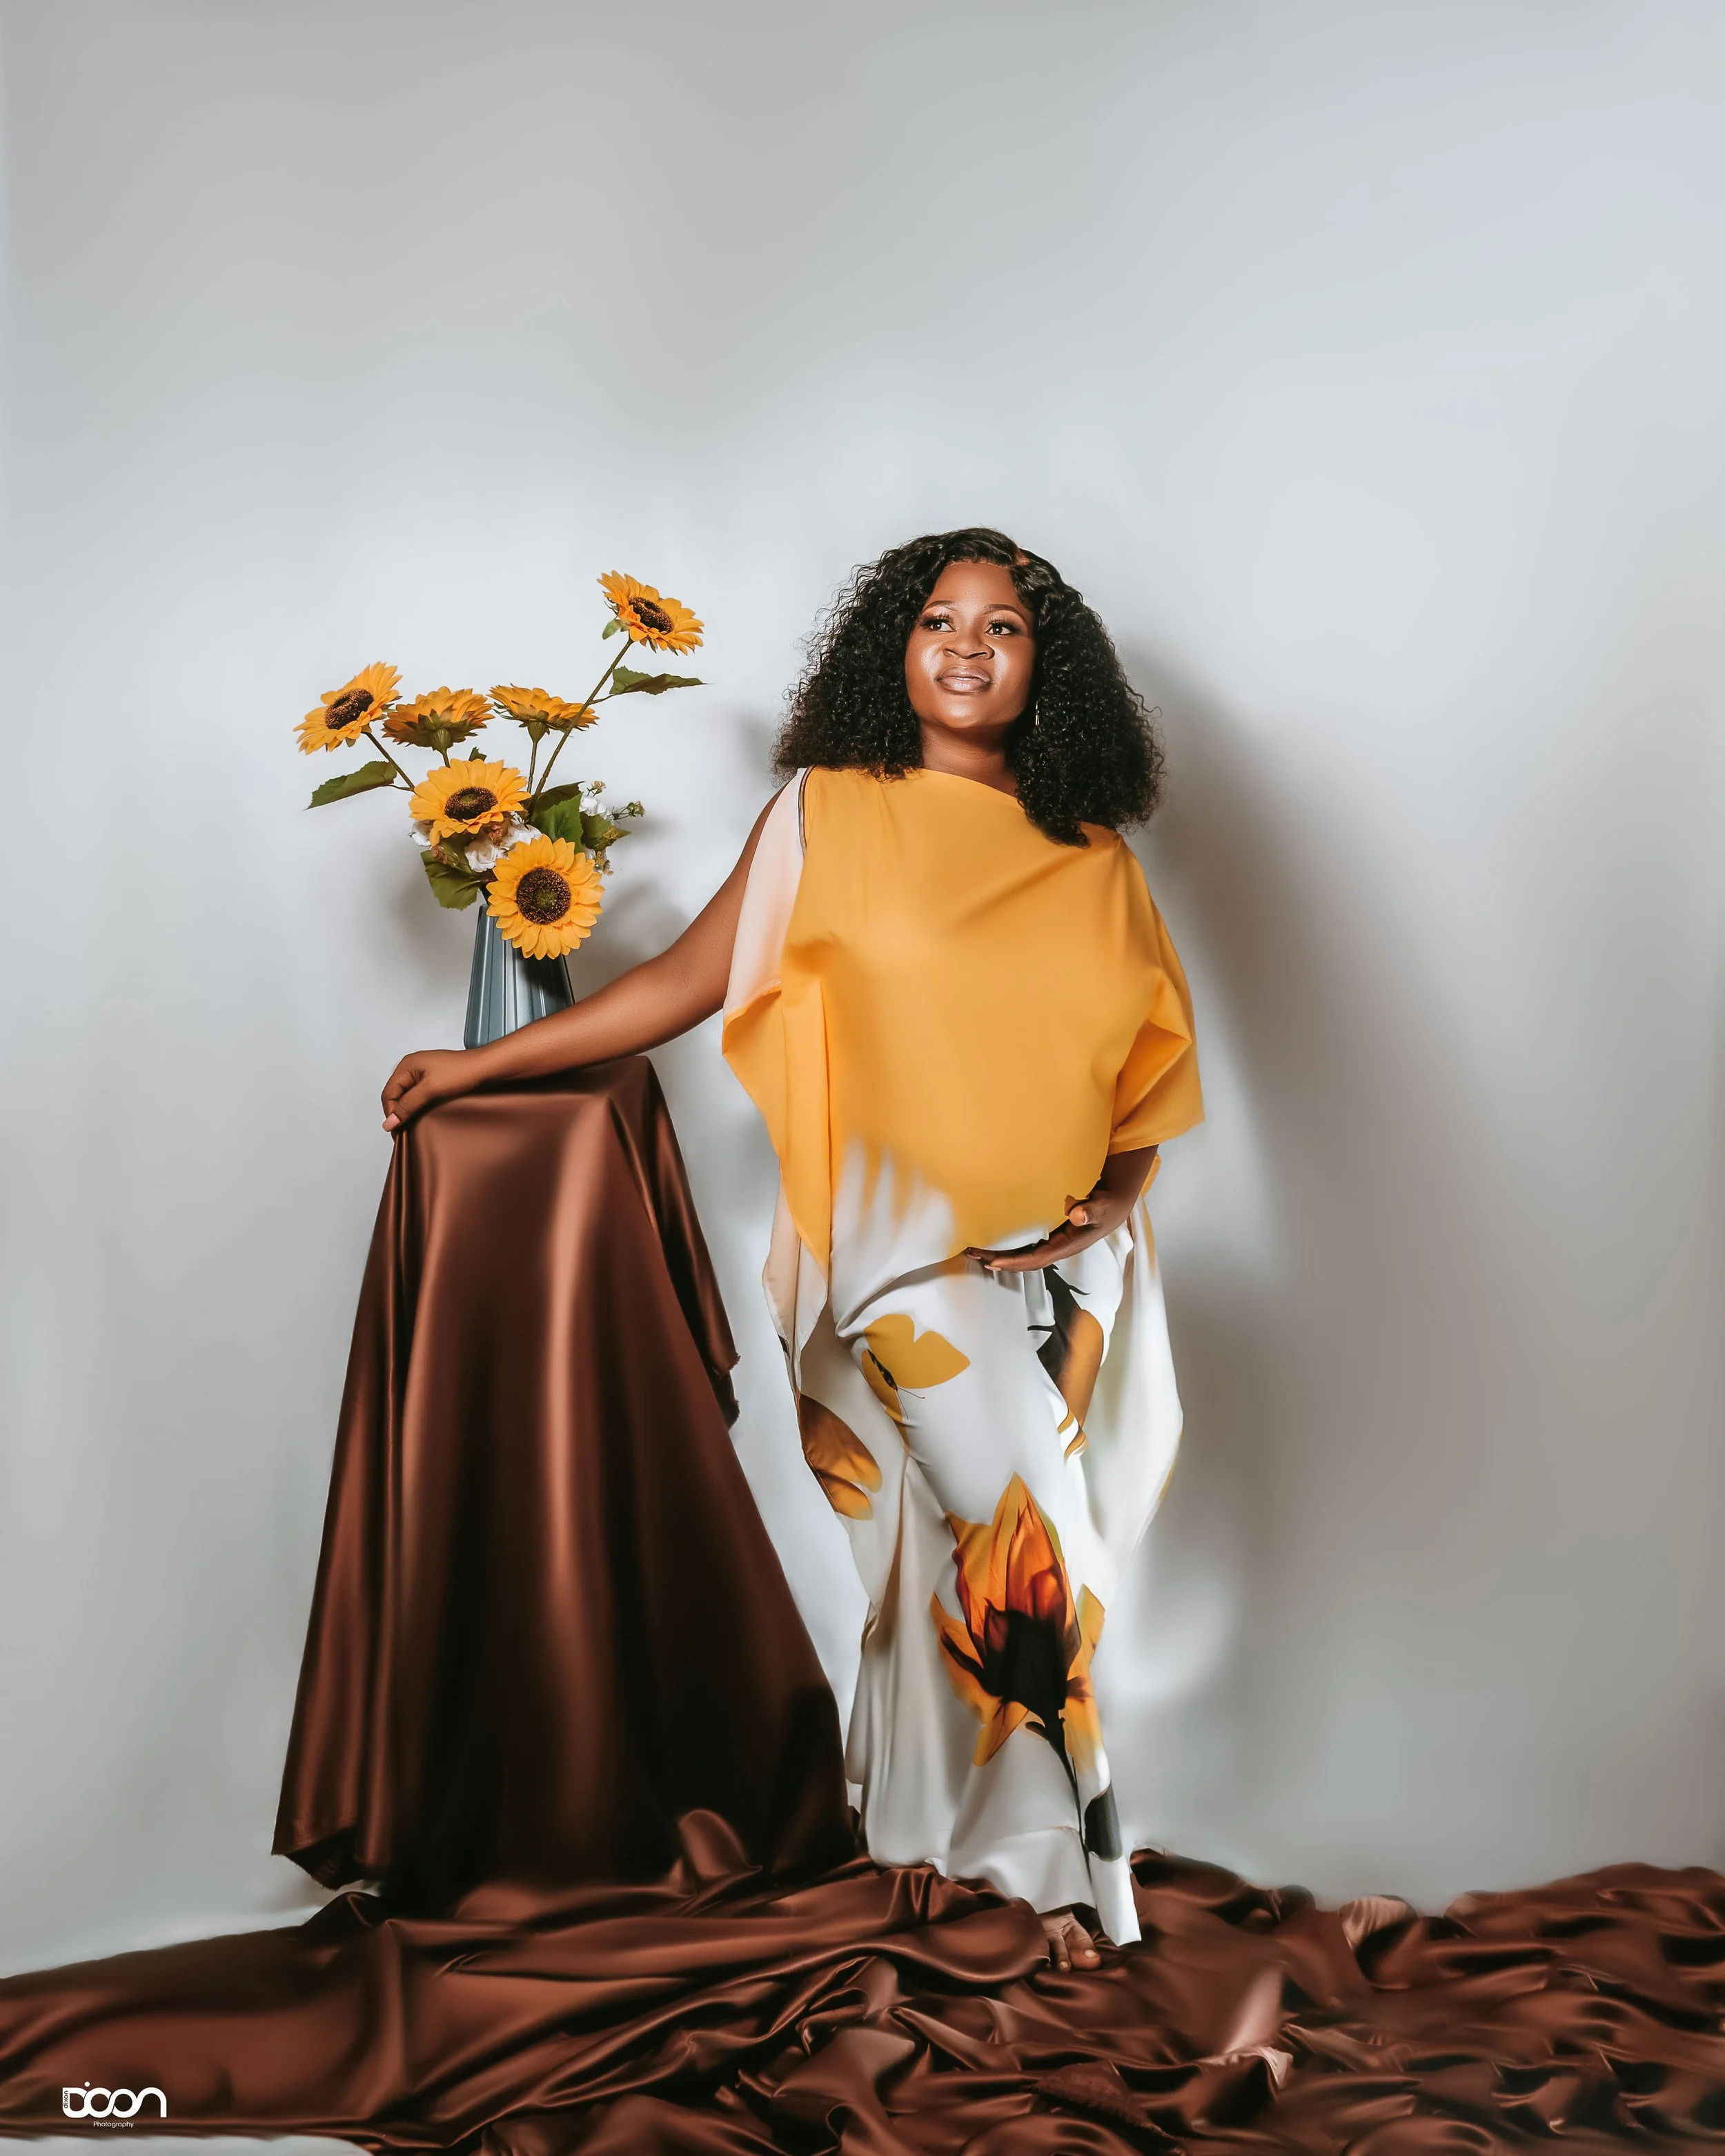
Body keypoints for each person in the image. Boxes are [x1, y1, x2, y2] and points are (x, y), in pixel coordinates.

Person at [380, 528, 1203, 1970]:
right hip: (908, 1266)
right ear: (894, 646)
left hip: (1066, 1282)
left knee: (962, 1574)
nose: (965, 646)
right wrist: (480, 1068)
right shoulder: (829, 811)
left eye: (1001, 627)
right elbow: (681, 983)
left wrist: (1121, 1198)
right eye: (938, 619)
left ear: (1046, 667)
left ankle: (933, 1855)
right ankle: (1086, 1895)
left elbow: (1149, 1078)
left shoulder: (1097, 860)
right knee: (1036, 1572)